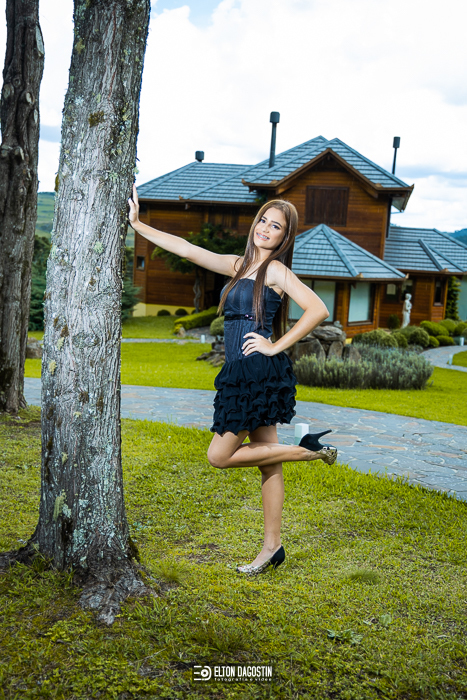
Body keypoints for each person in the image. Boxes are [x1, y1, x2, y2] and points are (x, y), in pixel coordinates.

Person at [128, 185, 337, 575]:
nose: (265, 229)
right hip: (241, 372)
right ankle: (272, 548)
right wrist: (139, 226)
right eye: (263, 221)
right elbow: (187, 249)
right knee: (268, 462)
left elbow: (318, 309)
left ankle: (307, 451)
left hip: (255, 370)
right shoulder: (239, 265)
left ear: (284, 236)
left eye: (275, 226)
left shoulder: (276, 271)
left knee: (219, 456)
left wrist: (275, 346)